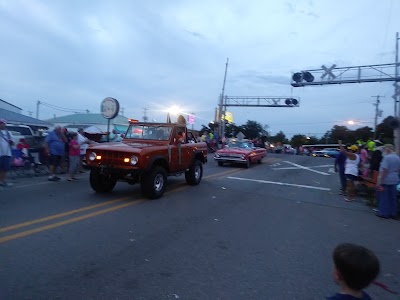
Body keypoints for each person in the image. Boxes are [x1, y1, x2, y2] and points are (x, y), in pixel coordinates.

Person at [375, 144, 400, 219]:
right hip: (394, 179)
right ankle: (393, 213)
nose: (383, 151)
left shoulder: (386, 158)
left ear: (387, 149)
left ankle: (383, 213)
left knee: (384, 197)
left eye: (384, 149)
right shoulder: (398, 157)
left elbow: (384, 171)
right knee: (392, 197)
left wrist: (379, 183)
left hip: (386, 179)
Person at [0, 119, 14, 187]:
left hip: (7, 153)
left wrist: (11, 142)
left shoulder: (8, 133)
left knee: (5, 168)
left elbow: (12, 143)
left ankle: (3, 181)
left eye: (3, 123)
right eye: (0, 123)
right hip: (0, 153)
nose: (1, 124)